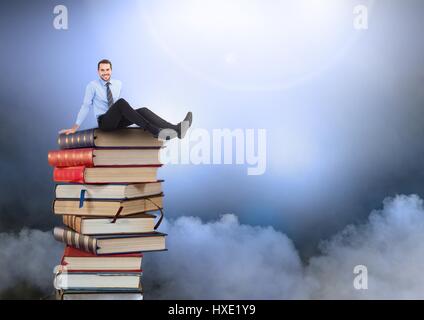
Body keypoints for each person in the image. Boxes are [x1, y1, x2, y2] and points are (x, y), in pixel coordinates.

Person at [59, 59, 192, 139]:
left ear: (111, 70)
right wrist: (75, 127)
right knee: (121, 102)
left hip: (117, 121)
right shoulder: (92, 86)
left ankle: (177, 129)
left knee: (143, 110)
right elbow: (85, 106)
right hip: (105, 123)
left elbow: (121, 110)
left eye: (107, 69)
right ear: (98, 72)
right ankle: (155, 131)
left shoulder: (118, 84)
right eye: (102, 70)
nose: (105, 72)